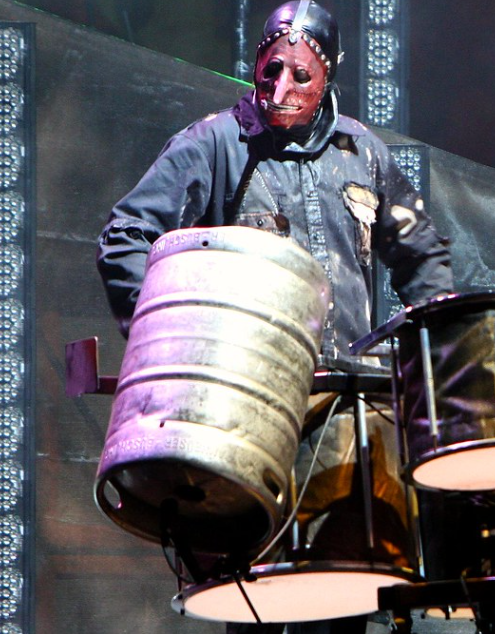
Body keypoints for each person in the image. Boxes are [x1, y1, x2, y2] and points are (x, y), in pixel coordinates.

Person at [95, 2, 453, 632]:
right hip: (250, 422)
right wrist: (167, 342)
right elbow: (126, 236)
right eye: (270, 72)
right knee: (253, 603)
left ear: (329, 74)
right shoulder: (214, 144)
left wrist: (433, 354)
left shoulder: (365, 154)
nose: (281, 88)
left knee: (342, 602)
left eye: (300, 76)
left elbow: (422, 255)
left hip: (346, 428)